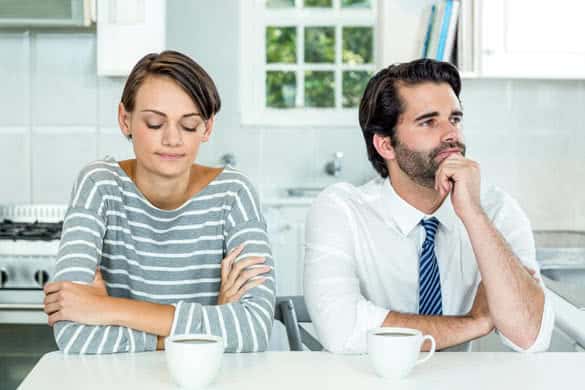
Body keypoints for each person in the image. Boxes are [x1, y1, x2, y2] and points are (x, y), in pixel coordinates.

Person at [304, 58, 554, 353]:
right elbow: (342, 330)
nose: (451, 134)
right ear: (385, 145)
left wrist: (473, 214)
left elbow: (529, 335)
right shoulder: (342, 210)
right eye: (428, 122)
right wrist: (475, 322)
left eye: (455, 119)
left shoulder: (496, 210)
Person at [43, 51, 274, 354]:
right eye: (154, 123)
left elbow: (254, 330)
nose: (172, 139)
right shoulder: (98, 185)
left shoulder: (234, 195)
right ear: (125, 120)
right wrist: (211, 330)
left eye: (189, 125)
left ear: (207, 128)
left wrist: (109, 308)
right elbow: (74, 334)